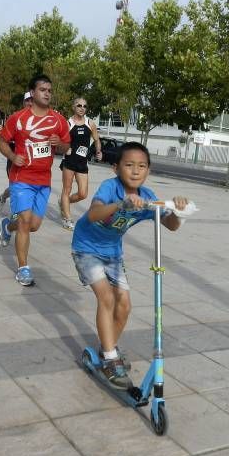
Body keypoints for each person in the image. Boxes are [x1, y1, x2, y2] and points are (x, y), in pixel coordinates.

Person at [71, 142, 188, 388]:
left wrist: (178, 211)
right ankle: (112, 358)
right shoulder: (110, 187)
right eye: (129, 165)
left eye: (142, 166)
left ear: (148, 171)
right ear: (116, 168)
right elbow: (93, 215)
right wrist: (122, 204)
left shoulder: (147, 197)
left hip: (113, 253)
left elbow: (172, 226)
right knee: (106, 299)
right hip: (86, 247)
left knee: (124, 305)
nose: (135, 171)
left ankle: (107, 348)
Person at [0, 75, 70, 286]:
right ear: (32, 92)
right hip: (21, 179)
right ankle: (23, 268)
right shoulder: (18, 118)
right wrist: (12, 157)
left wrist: (60, 144)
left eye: (49, 90)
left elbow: (66, 146)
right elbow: (2, 142)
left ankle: (7, 226)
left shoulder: (58, 120)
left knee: (34, 226)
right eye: (43, 89)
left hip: (43, 181)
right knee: (26, 221)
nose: (47, 93)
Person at [59, 97, 103, 229]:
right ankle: (67, 218)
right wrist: (65, 148)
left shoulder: (91, 123)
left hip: (82, 162)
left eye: (84, 106)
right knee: (67, 190)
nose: (82, 108)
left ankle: (63, 202)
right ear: (73, 107)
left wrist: (99, 151)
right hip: (69, 161)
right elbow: (60, 142)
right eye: (79, 105)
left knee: (83, 194)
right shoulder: (68, 123)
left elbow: (96, 139)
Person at [0, 91, 33, 215]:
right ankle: (4, 199)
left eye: (32, 100)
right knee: (16, 186)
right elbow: (3, 138)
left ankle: (21, 212)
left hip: (32, 160)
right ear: (23, 102)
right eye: (28, 100)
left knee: (26, 187)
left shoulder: (40, 119)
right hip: (14, 158)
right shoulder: (15, 117)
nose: (30, 103)